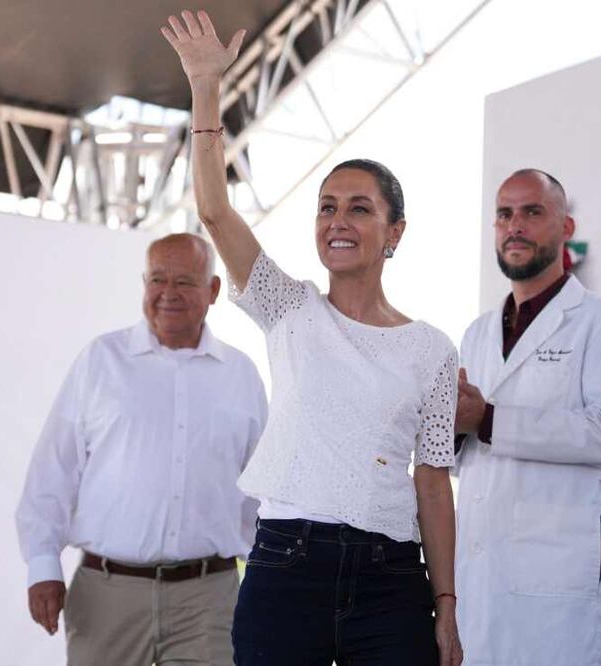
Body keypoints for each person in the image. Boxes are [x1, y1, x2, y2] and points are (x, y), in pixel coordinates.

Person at [160, 10, 462, 666]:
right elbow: (213, 208)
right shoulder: (287, 307)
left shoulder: (431, 348)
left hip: (390, 579)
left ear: (395, 232)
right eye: (326, 206)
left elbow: (432, 483)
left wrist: (445, 608)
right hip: (285, 570)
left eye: (359, 207)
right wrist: (206, 87)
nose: (337, 220)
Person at [15, 233, 268, 666]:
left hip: (209, 599)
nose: (168, 294)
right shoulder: (100, 361)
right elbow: (53, 472)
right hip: (107, 594)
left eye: (185, 282)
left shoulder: (241, 375)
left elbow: (263, 491)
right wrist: (42, 566)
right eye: (157, 279)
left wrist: (270, 580)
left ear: (212, 291)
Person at [455, 169, 601, 665]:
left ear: (566, 227)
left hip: (556, 586)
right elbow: (465, 457)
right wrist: (450, 429)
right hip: (481, 581)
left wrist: (488, 419)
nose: (515, 225)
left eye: (532, 212)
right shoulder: (476, 333)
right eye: (504, 214)